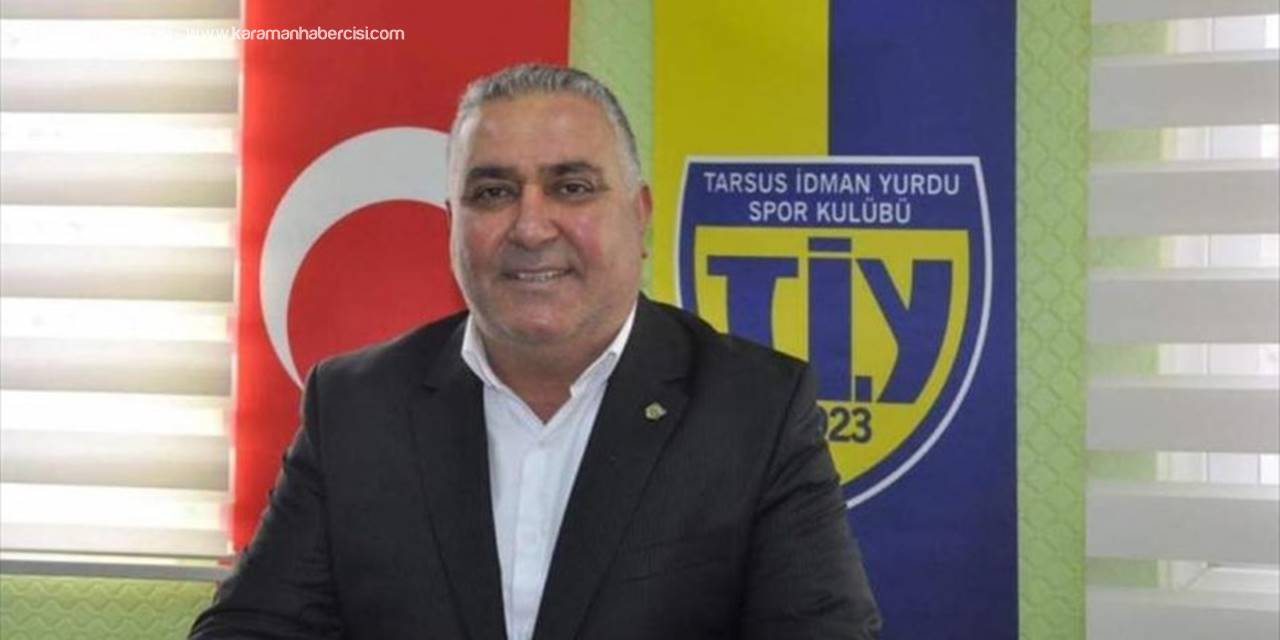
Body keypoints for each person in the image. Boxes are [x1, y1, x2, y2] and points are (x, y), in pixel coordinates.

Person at [190, 63, 880, 640]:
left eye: (570, 187)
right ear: (452, 226)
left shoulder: (754, 410)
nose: (529, 226)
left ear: (638, 217)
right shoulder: (356, 406)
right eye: (492, 193)